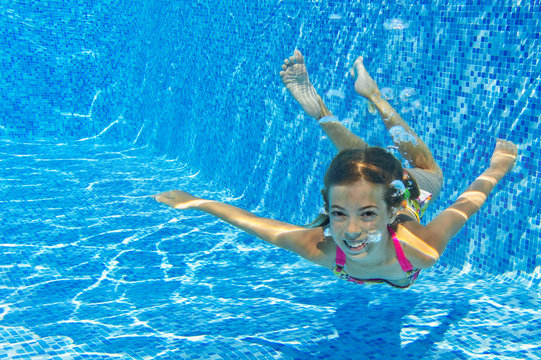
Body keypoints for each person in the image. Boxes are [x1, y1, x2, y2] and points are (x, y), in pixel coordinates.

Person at [154, 50, 518, 288]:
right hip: (389, 190)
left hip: (405, 192)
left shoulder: (418, 247)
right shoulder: (331, 248)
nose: (351, 231)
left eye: (368, 214)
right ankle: (346, 107)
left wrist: (497, 168)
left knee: (421, 171)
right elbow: (256, 225)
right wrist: (197, 203)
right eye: (339, 214)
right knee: (383, 168)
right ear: (327, 209)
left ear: (390, 211)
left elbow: (467, 205)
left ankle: (358, 103)